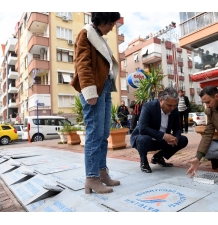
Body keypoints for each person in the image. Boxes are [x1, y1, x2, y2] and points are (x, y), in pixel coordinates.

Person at [70, 12, 121, 194]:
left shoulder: (98, 36)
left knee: (104, 134)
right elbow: (82, 64)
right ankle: (91, 178)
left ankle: (101, 173)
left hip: (104, 88)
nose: (113, 26)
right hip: (93, 90)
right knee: (94, 134)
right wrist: (89, 91)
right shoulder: (86, 34)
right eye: (112, 23)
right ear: (102, 21)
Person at [130, 87, 188, 173]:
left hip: (161, 141)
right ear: (161, 100)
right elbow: (143, 129)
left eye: (174, 105)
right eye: (169, 105)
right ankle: (143, 161)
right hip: (144, 139)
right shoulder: (148, 106)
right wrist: (163, 136)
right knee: (144, 139)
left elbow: (177, 128)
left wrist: (175, 137)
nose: (172, 108)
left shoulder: (174, 110)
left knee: (183, 140)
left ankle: (158, 157)